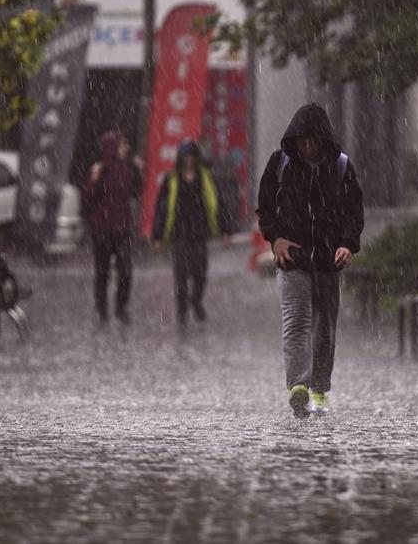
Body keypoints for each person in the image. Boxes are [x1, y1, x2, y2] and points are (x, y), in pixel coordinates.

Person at [256, 104, 364, 418]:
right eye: (302, 141)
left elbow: (353, 212)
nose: (307, 148)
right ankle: (298, 386)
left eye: (312, 142)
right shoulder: (280, 164)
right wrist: (274, 238)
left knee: (325, 327)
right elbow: (264, 206)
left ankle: (319, 389)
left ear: (323, 141)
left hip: (329, 262)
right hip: (292, 261)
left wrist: (347, 244)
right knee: (296, 323)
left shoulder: (342, 167)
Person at [150, 139, 233, 327]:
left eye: (191, 157)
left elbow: (218, 204)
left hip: (199, 234)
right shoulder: (171, 180)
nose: (188, 161)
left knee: (200, 274)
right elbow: (161, 209)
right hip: (179, 235)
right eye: (185, 157)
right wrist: (157, 235)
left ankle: (195, 300)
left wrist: (226, 229)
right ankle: (182, 313)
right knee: (180, 277)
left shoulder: (206, 178)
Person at [83, 130, 142, 326]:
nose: (126, 149)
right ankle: (102, 310)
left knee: (125, 269)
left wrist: (139, 172)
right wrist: (94, 179)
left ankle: (120, 306)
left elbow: (136, 192)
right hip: (102, 230)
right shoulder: (100, 170)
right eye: (122, 145)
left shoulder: (126, 170)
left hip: (122, 229)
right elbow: (88, 200)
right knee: (102, 272)